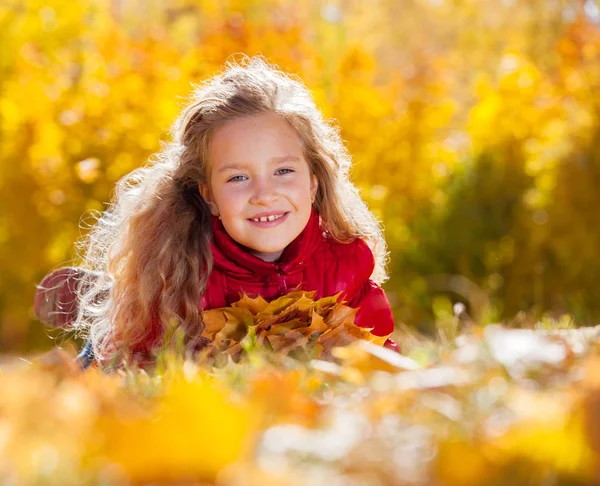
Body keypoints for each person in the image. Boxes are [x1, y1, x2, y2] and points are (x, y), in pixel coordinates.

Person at [34, 56, 400, 369]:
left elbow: (376, 352)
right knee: (102, 349)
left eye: (283, 171)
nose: (264, 194)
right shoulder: (175, 273)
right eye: (238, 177)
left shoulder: (346, 262)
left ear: (314, 183)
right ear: (208, 196)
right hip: (151, 339)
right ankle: (107, 298)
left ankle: (103, 292)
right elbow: (133, 369)